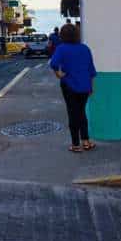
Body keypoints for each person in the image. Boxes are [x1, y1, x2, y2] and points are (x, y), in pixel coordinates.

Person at [49, 23, 96, 152]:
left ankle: (75, 144)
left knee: (72, 113)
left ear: (62, 36)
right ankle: (86, 141)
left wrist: (58, 74)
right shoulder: (85, 48)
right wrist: (91, 87)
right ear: (76, 34)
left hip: (69, 86)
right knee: (81, 113)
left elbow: (53, 63)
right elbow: (91, 70)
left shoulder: (62, 48)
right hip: (85, 86)